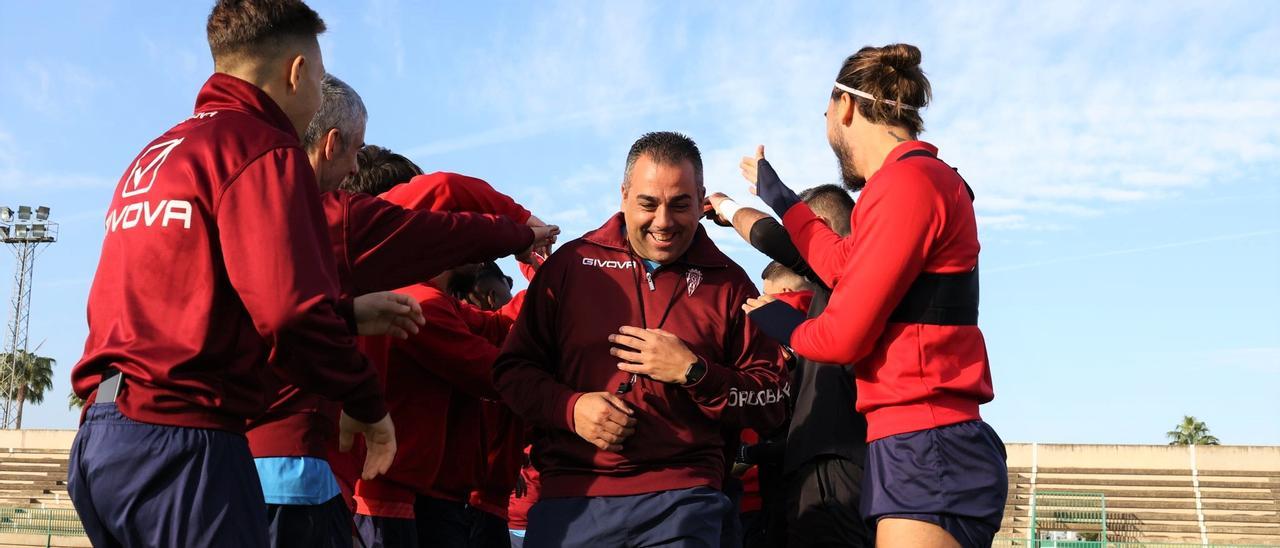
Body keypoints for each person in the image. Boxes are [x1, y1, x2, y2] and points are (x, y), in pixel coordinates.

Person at [66, 2, 422, 546]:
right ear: (298, 71)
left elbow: (195, 297)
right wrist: (368, 403)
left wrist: (345, 313)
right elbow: (288, 313)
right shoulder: (261, 146)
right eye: (320, 78)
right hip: (181, 443)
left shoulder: (160, 151)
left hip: (100, 439)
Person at [245, 75, 556, 548]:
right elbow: (445, 189)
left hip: (349, 482)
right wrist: (522, 227)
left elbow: (498, 325)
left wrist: (542, 272)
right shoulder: (378, 261)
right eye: (353, 151)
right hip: (340, 485)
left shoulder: (272, 223)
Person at [741, 44, 1006, 548]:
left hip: (927, 442)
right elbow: (841, 265)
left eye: (824, 114)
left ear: (844, 107)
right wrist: (778, 197)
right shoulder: (912, 181)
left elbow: (844, 336)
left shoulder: (907, 182)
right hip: (916, 442)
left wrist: (782, 323)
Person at [493, 131, 789, 548]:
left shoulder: (730, 284)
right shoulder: (569, 268)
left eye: (681, 204)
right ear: (624, 195)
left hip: (686, 501)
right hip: (572, 500)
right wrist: (571, 408)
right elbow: (511, 373)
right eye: (648, 203)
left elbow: (773, 401)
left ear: (702, 197)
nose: (664, 222)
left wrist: (695, 373)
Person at [708, 187, 874, 547]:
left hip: (831, 476)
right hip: (815, 476)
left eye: (797, 231)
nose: (791, 244)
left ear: (822, 227)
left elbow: (768, 236)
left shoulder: (846, 288)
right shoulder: (835, 297)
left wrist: (727, 205)